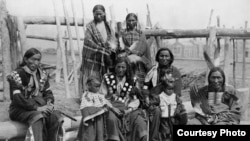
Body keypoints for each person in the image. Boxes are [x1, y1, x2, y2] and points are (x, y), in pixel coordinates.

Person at [7, 48, 63, 141]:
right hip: (19, 109)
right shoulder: (16, 75)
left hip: (39, 106)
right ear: (25, 59)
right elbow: (17, 98)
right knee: (38, 117)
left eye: (38, 60)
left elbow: (48, 93)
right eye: (33, 59)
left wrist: (49, 104)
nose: (36, 63)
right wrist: (37, 108)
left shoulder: (42, 74)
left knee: (55, 116)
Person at [100, 57, 148, 141]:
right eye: (118, 67)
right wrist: (112, 108)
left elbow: (135, 100)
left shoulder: (132, 80)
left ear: (127, 68)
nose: (120, 69)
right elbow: (102, 96)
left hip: (129, 109)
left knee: (140, 123)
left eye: (123, 67)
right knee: (112, 119)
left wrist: (128, 110)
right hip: (111, 107)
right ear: (114, 67)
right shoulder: (107, 78)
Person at [79, 4, 117, 95]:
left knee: (103, 78)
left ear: (104, 14)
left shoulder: (108, 28)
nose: (99, 16)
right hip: (92, 59)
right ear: (93, 14)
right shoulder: (90, 27)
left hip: (105, 59)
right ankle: (87, 96)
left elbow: (112, 40)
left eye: (101, 14)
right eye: (96, 14)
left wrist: (110, 49)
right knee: (91, 77)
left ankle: (100, 96)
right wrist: (101, 50)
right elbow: (88, 42)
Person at [119, 13, 152, 90]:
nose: (131, 22)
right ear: (126, 21)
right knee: (126, 80)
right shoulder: (122, 33)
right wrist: (127, 52)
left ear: (136, 21)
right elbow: (120, 45)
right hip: (126, 59)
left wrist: (134, 52)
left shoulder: (140, 33)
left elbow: (143, 46)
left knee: (138, 80)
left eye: (133, 20)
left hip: (138, 60)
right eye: (129, 20)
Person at [153, 74, 187, 141]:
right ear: (164, 88)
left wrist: (178, 109)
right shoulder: (160, 96)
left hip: (173, 119)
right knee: (165, 134)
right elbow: (154, 104)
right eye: (169, 89)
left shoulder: (175, 96)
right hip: (164, 120)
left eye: (172, 89)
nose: (170, 91)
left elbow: (180, 104)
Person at [77, 76, 109, 141]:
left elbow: (103, 103)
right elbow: (86, 107)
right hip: (90, 119)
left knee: (99, 132)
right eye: (96, 86)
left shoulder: (100, 95)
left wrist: (105, 107)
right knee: (89, 133)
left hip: (99, 118)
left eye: (99, 86)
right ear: (89, 85)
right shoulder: (86, 95)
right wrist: (101, 110)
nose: (98, 88)